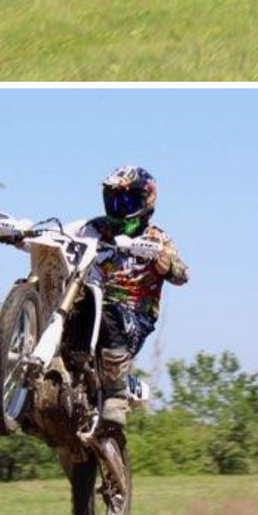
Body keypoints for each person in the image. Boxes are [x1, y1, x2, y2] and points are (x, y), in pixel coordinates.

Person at [69, 166, 190, 425]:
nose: (118, 207)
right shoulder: (93, 228)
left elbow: (183, 274)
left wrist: (165, 263)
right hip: (89, 301)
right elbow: (61, 238)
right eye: (112, 200)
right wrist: (23, 235)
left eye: (125, 201)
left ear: (145, 202)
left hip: (133, 315)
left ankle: (116, 395)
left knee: (110, 311)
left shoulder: (156, 238)